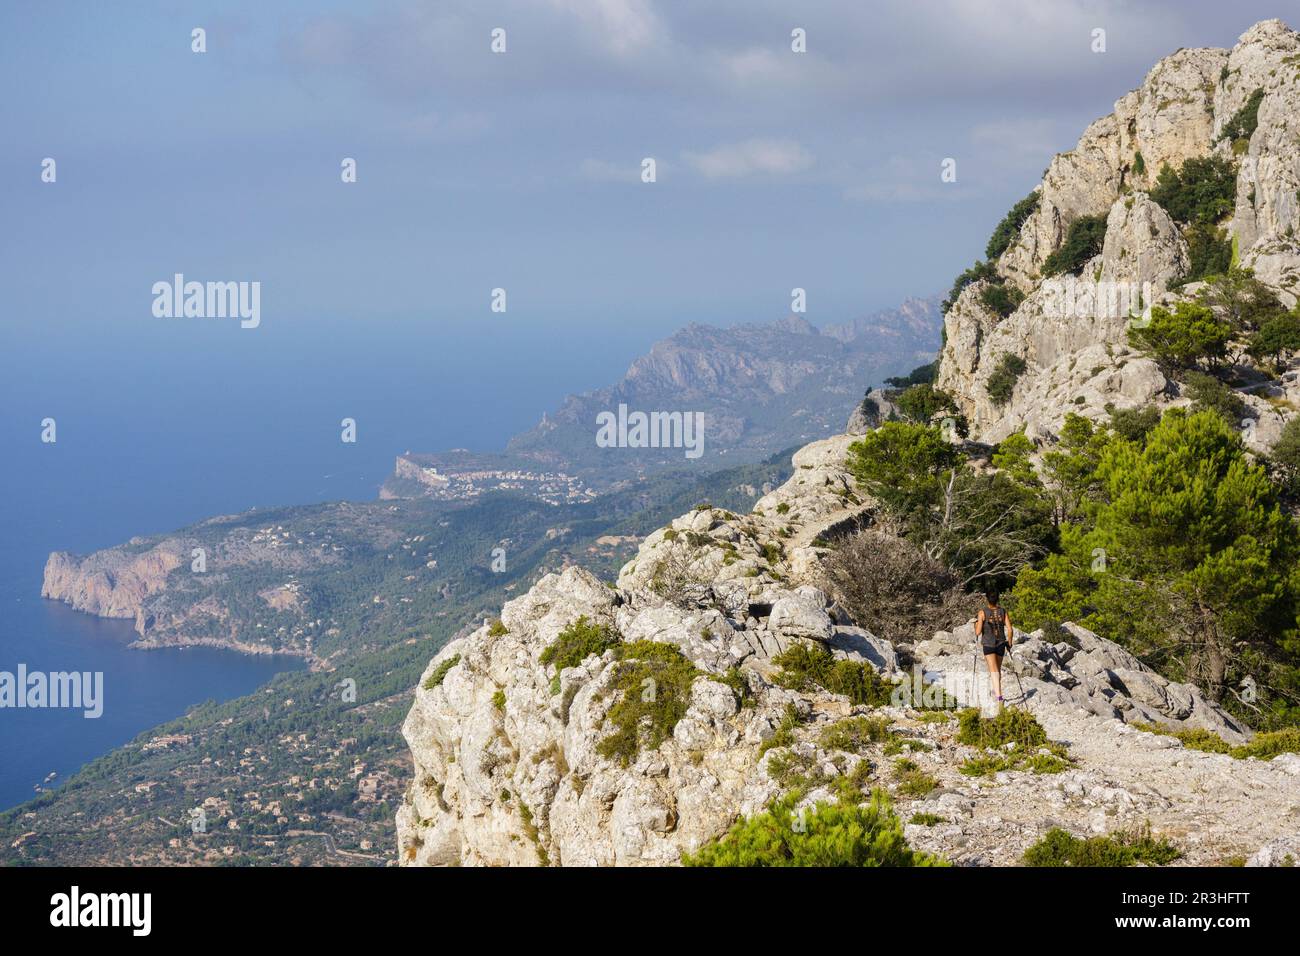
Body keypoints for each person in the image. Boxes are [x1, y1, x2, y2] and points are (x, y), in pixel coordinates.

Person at [974, 590, 1013, 706]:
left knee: (993, 671)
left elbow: (977, 632)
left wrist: (976, 625)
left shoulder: (982, 613)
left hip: (988, 644)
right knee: (997, 670)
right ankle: (997, 691)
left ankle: (999, 698)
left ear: (987, 599)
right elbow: (1010, 629)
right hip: (1001, 644)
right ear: (997, 599)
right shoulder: (1003, 611)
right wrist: (1009, 643)